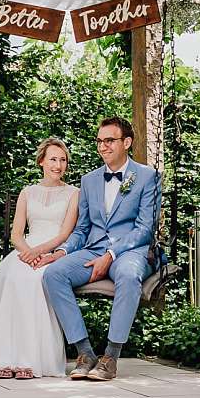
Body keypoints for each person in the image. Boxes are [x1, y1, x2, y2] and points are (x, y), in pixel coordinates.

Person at [39, 117, 160, 383]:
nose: (103, 146)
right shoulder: (90, 180)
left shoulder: (146, 176)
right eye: (99, 141)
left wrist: (112, 255)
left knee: (128, 276)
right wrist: (62, 252)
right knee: (53, 275)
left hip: (130, 251)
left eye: (109, 140)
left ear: (126, 143)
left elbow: (144, 229)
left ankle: (110, 357)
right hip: (93, 249)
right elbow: (82, 229)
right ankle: (85, 353)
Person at [0, 138, 78, 380]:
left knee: (34, 281)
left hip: (52, 253)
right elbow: (16, 234)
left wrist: (39, 253)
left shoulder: (74, 193)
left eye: (62, 160)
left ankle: (30, 360)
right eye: (53, 159)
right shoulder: (27, 192)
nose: (58, 165)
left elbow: (64, 234)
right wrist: (27, 252)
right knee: (7, 278)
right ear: (41, 161)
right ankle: (5, 358)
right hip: (25, 250)